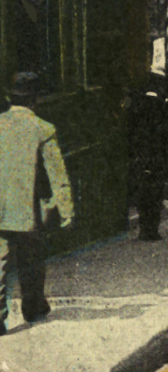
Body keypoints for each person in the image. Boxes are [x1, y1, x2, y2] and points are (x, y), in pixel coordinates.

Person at [0, 72, 75, 333]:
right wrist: (66, 210)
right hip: (26, 211)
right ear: (35, 100)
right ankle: (33, 308)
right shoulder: (43, 128)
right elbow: (57, 174)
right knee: (31, 262)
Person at [128, 74, 168, 241]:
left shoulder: (136, 110)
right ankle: (151, 229)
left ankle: (145, 227)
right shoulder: (161, 111)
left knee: (144, 194)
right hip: (156, 157)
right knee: (155, 194)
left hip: (141, 157)